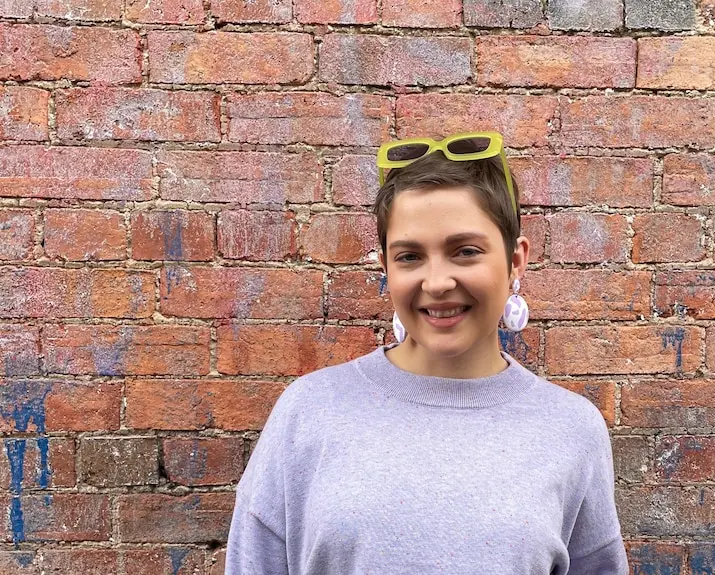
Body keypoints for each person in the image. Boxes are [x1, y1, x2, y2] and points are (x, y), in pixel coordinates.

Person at [225, 132, 628, 574]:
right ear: (385, 267)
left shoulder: (571, 428)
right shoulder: (308, 412)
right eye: (410, 257)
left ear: (515, 261)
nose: (436, 282)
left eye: (466, 251)